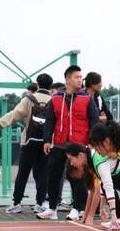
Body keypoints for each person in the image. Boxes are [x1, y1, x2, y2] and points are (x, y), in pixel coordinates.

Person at [39, 65, 99, 221]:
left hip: (79, 145)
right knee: (53, 176)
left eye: (81, 77)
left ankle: (77, 208)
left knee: (77, 177)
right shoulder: (56, 98)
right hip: (59, 143)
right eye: (76, 77)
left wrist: (92, 142)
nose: (80, 80)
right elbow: (49, 121)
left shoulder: (87, 99)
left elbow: (94, 121)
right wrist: (46, 140)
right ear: (67, 79)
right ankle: (52, 208)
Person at [0, 73, 53, 214]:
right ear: (50, 85)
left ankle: (17, 203)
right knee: (43, 173)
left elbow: (14, 115)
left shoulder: (29, 99)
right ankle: (40, 203)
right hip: (47, 143)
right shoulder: (55, 100)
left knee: (23, 173)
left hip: (29, 142)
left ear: (37, 84)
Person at [65, 143, 120, 230]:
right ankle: (119, 217)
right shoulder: (90, 162)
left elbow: (97, 192)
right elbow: (91, 192)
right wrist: (85, 216)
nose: (71, 163)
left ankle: (118, 218)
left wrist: (90, 216)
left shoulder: (95, 159)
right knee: (105, 187)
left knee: (105, 187)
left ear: (80, 155)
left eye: (71, 159)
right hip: (118, 173)